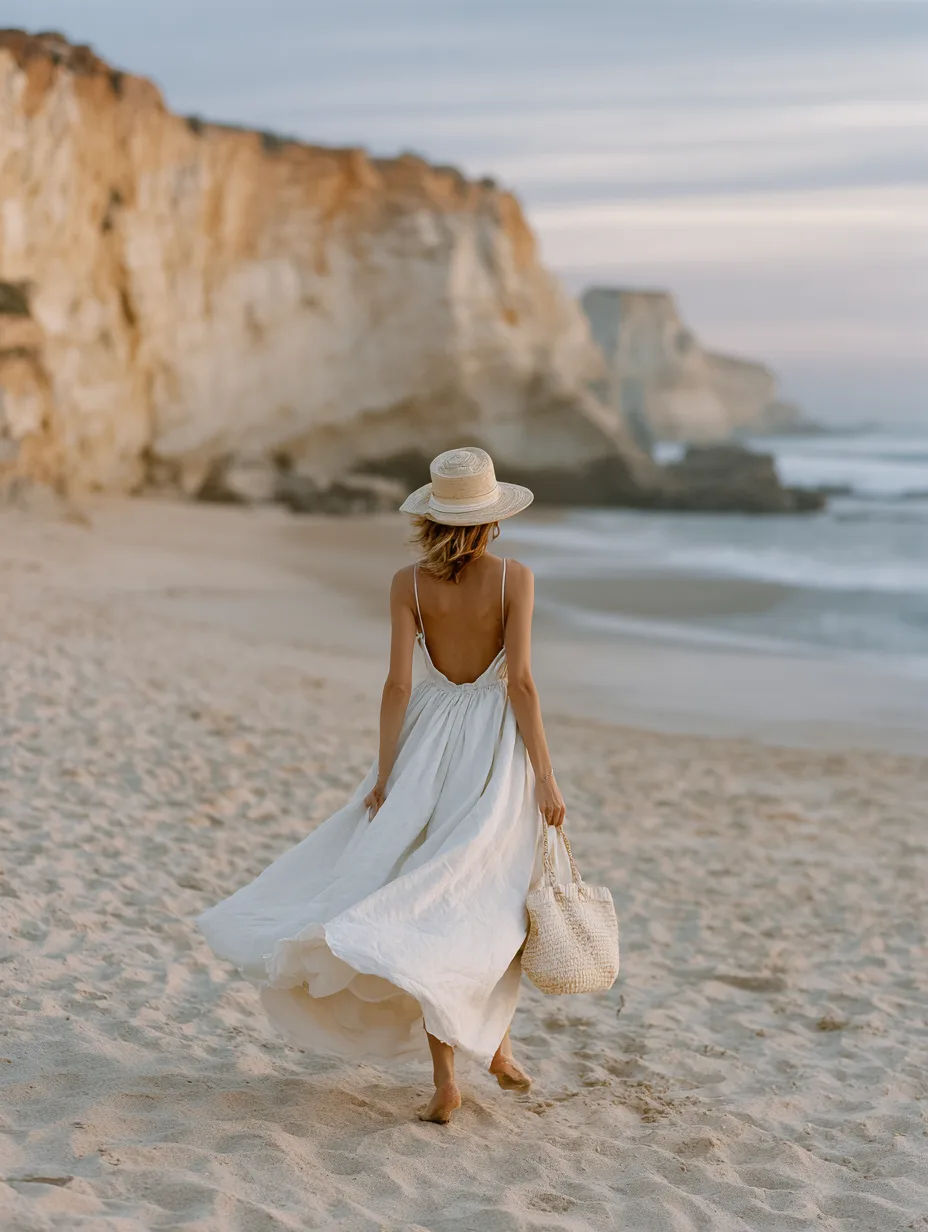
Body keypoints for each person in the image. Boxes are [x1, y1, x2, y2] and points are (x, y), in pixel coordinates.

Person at [197, 446, 567, 1125]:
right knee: (490, 892)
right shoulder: (516, 578)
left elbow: (399, 684)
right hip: (492, 747)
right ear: (491, 519)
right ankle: (500, 1047)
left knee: (423, 892)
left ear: (434, 516)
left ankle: (450, 1078)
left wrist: (388, 771)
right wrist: (545, 775)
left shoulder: (409, 584)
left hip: (427, 740)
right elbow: (520, 683)